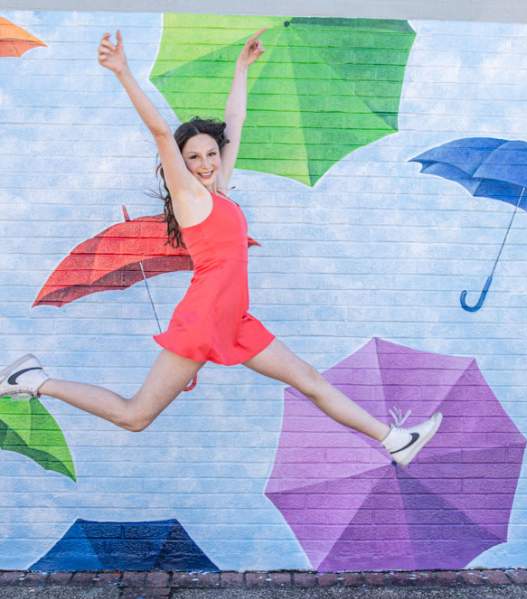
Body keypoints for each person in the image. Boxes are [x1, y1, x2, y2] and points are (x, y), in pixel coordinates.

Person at [0, 29, 442, 468]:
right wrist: (123, 72)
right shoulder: (189, 196)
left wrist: (241, 68)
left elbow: (235, 123)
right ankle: (35, 381)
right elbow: (158, 130)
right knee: (135, 416)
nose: (207, 164)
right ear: (182, 163)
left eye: (211, 155)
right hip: (206, 318)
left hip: (235, 319)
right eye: (195, 158)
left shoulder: (221, 191)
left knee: (309, 380)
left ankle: (394, 440)